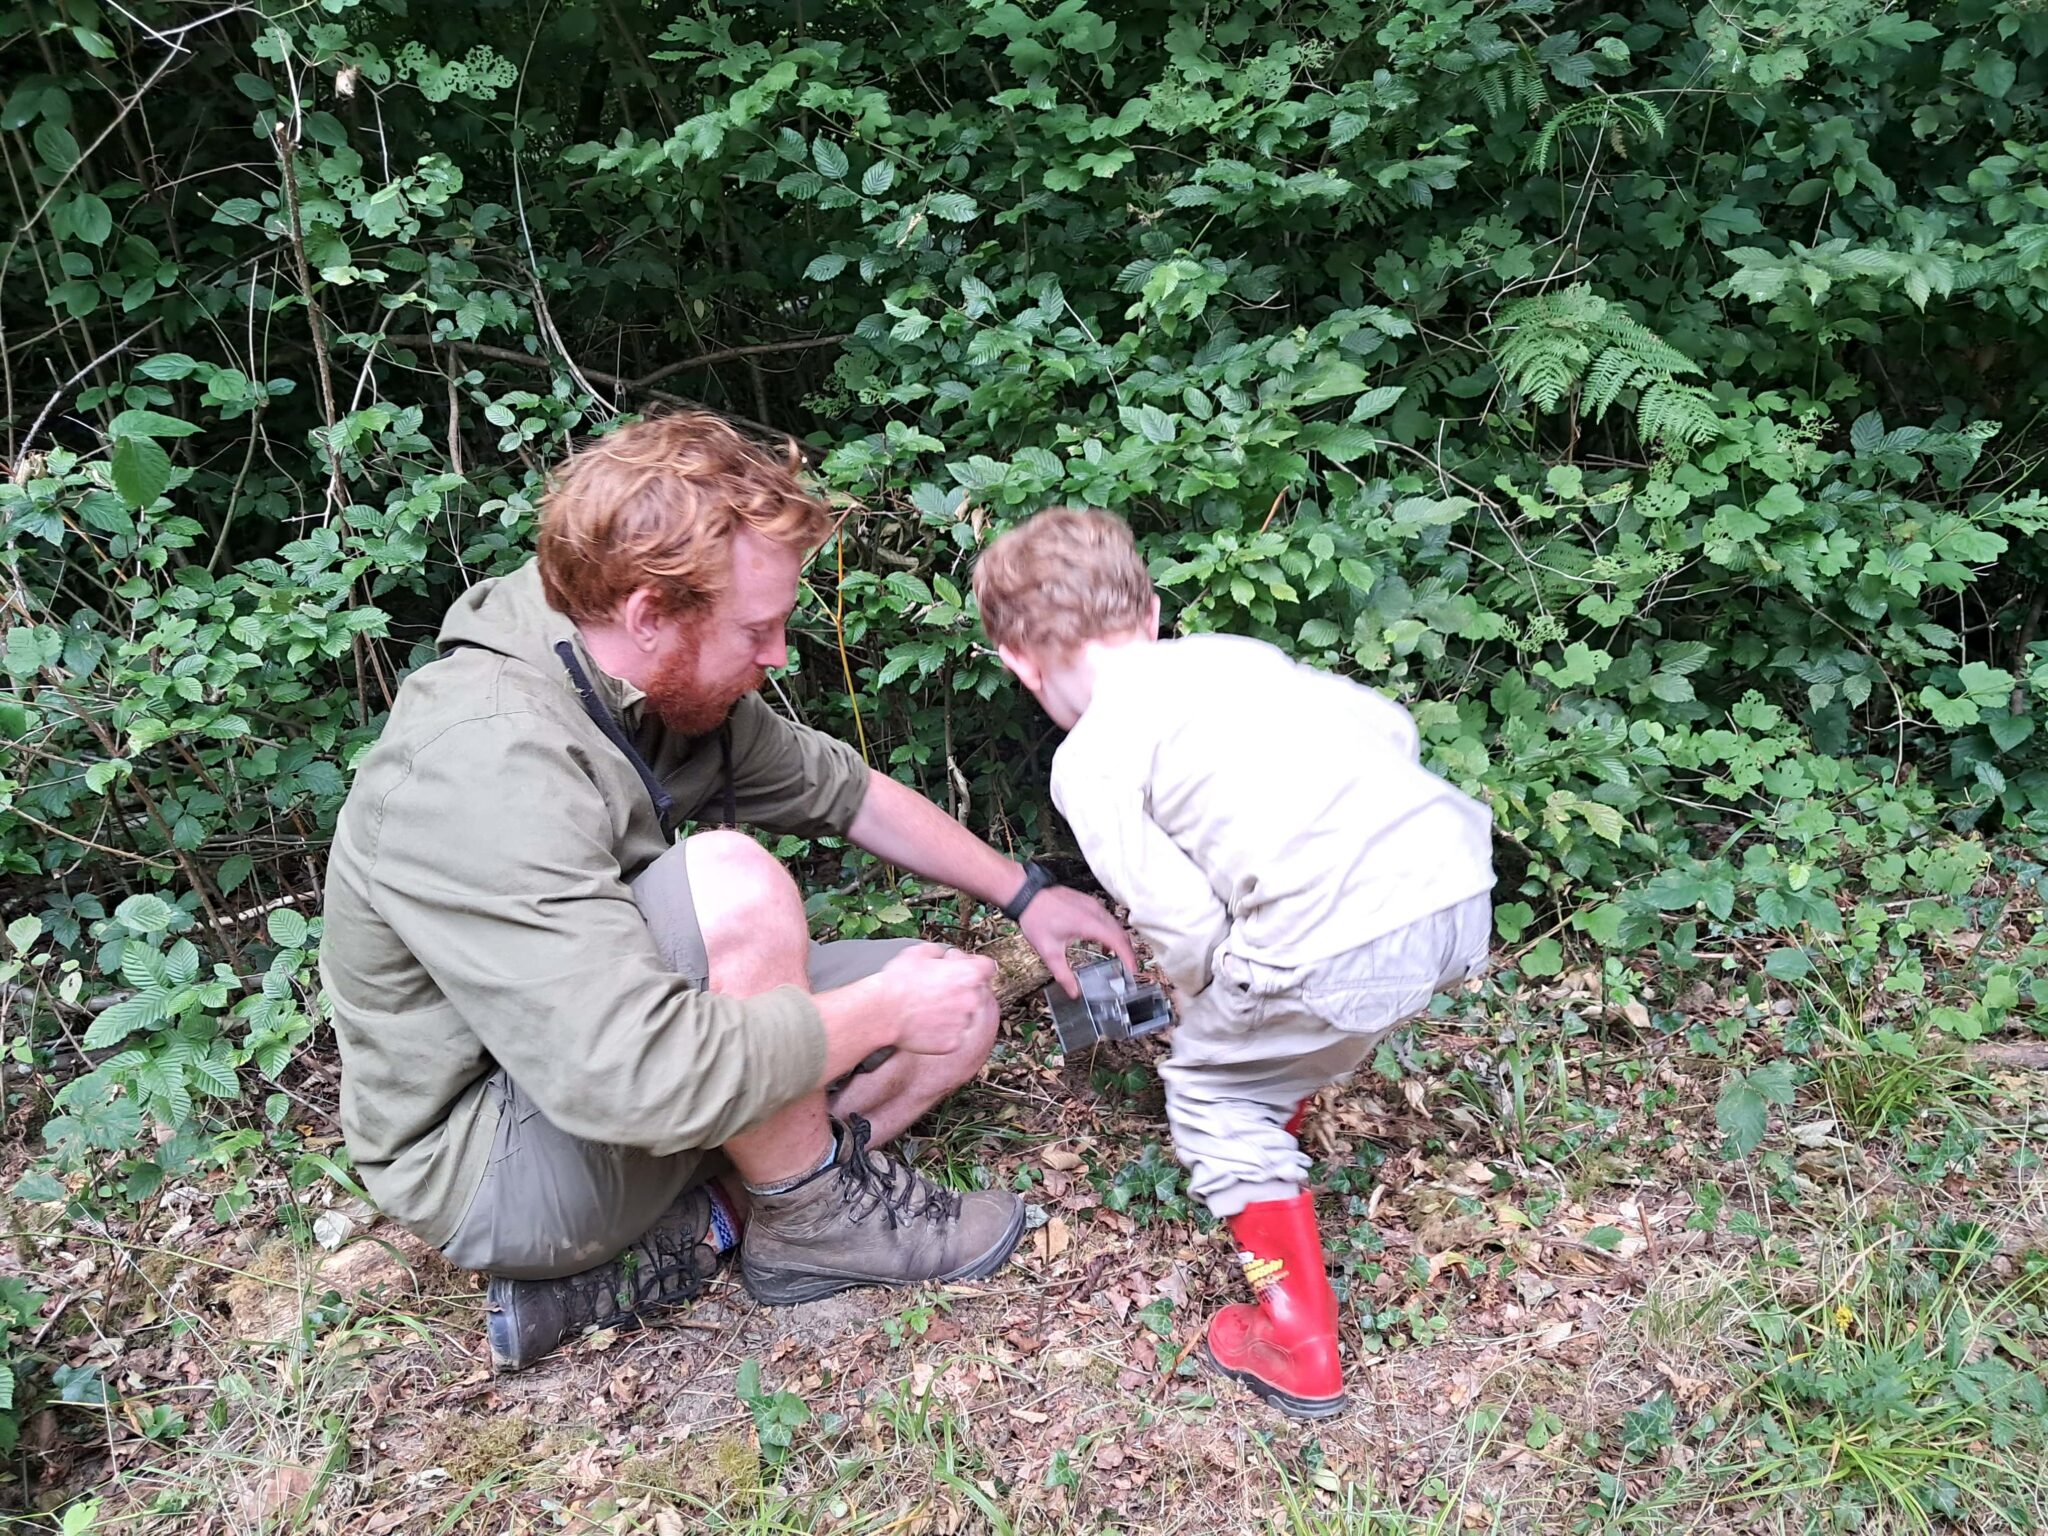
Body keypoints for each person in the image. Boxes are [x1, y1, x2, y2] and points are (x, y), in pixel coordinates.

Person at [320, 413, 1134, 1371]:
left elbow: (846, 791)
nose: (781, 653)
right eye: (758, 629)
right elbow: (629, 1073)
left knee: (955, 1005)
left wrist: (1027, 895)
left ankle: (719, 1223)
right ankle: (817, 1216)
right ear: (649, 614)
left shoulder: (639, 681)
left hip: (614, 1059)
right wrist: (878, 1011)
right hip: (494, 1154)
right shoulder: (485, 757)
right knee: (736, 887)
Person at [972, 507, 1494, 1418]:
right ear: (1153, 612)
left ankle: (1295, 1336)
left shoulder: (1089, 758)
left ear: (1019, 661)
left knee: (1210, 1091)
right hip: (1453, 887)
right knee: (1271, 1027)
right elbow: (1388, 726)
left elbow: (1178, 918)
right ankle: (1272, 1093)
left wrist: (1197, 989)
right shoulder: (1235, 658)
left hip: (1332, 938)